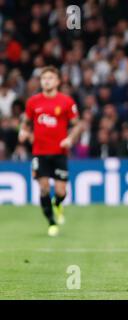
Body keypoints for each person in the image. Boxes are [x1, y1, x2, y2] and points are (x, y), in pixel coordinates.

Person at [18, 66, 83, 237]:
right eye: (44, 78)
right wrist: (23, 131)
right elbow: (25, 122)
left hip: (59, 153)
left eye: (50, 78)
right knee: (44, 187)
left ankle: (58, 203)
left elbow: (78, 125)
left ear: (58, 81)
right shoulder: (33, 102)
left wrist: (70, 138)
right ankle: (51, 222)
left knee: (61, 191)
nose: (46, 81)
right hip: (39, 152)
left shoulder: (66, 102)